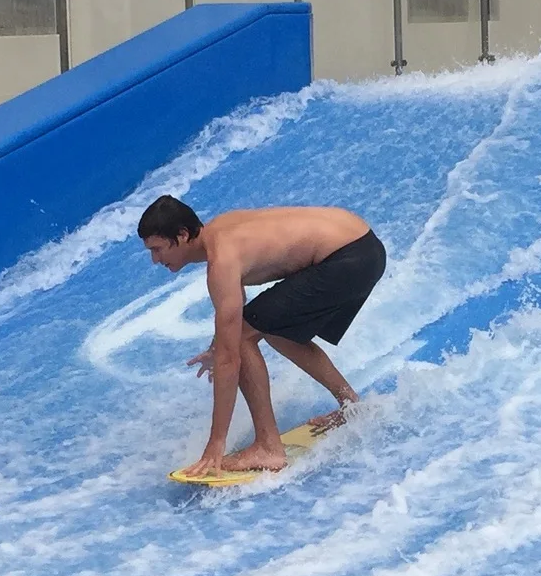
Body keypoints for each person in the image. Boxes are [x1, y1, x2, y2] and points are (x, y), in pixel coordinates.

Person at [137, 195, 385, 478]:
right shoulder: (221, 229)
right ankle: (350, 405)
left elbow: (230, 358)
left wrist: (216, 443)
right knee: (272, 328)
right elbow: (235, 312)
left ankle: (269, 448)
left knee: (243, 338)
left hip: (346, 260)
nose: (155, 260)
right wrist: (217, 346)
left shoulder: (221, 261)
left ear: (182, 235)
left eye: (157, 249)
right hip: (365, 245)